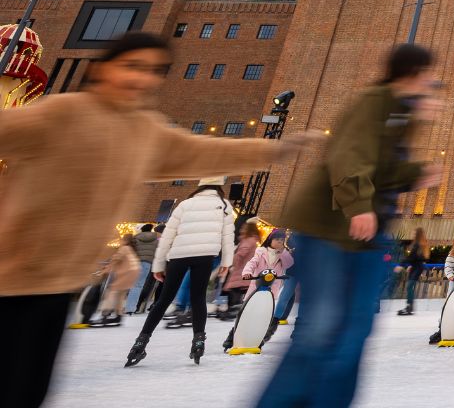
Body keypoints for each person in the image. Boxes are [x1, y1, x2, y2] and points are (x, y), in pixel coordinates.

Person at [0, 32, 306, 407]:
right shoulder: (61, 112)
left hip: (57, 285)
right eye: (132, 66)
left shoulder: (142, 130)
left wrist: (275, 149)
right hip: (9, 278)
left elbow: (202, 151)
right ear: (100, 69)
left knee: (27, 390)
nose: (142, 78)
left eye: (154, 71)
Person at [254, 44, 442, 408]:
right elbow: (348, 155)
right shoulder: (374, 102)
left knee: (356, 331)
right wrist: (358, 205)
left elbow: (383, 170)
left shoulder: (402, 115)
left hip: (369, 238)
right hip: (331, 230)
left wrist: (419, 172)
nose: (432, 81)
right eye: (428, 73)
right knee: (320, 329)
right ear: (412, 73)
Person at [125, 177, 237, 366]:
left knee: (163, 300)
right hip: (205, 255)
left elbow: (168, 234)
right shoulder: (223, 205)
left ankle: (140, 343)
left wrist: (158, 265)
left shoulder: (185, 204)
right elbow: (228, 236)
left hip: (178, 255)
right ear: (219, 186)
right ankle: (198, 342)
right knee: (198, 298)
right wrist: (226, 262)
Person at [225, 229, 294, 351]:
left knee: (264, 316)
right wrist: (247, 272)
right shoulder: (261, 251)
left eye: (282, 240)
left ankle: (258, 340)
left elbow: (289, 264)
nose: (279, 242)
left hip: (271, 290)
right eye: (277, 240)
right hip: (255, 289)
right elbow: (252, 263)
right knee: (245, 313)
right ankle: (231, 339)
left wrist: (283, 251)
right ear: (270, 240)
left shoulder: (283, 255)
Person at [95, 235, 143, 327]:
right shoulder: (131, 249)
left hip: (127, 273)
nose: (120, 241)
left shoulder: (124, 248)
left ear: (125, 241)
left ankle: (104, 316)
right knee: (121, 294)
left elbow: (115, 260)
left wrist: (103, 272)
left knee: (112, 292)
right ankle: (118, 316)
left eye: (121, 240)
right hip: (134, 272)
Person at [221, 222, 263, 320]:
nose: (241, 229)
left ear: (249, 229)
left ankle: (234, 310)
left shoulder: (248, 240)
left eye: (244, 227)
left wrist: (231, 261)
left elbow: (241, 253)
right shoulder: (252, 240)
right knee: (239, 290)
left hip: (240, 270)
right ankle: (237, 309)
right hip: (244, 270)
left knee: (235, 289)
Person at [124, 224, 158, 315]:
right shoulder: (156, 239)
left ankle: (127, 306)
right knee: (138, 286)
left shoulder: (136, 238)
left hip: (134, 262)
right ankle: (131, 308)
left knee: (130, 284)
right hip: (147, 263)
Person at [396, 229, 429, 316]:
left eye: (414, 233)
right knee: (410, 286)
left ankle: (409, 307)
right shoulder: (420, 245)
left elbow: (411, 257)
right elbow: (419, 258)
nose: (413, 234)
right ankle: (410, 306)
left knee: (410, 286)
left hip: (417, 268)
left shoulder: (417, 245)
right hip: (416, 267)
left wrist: (401, 265)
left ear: (418, 234)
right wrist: (411, 265)